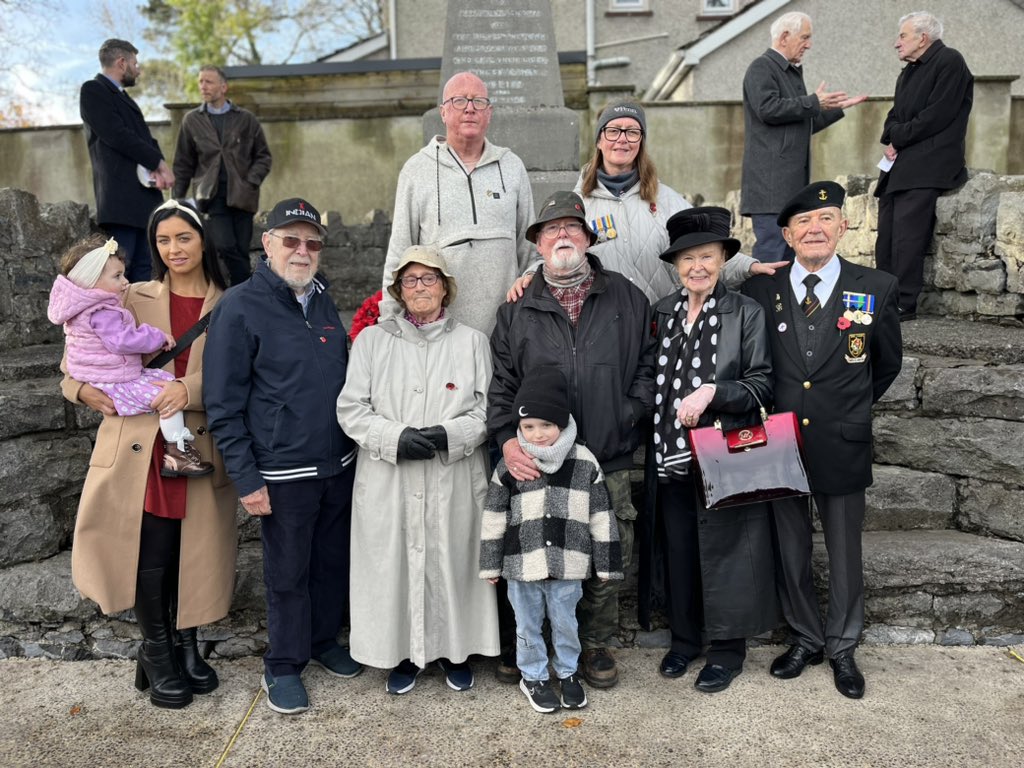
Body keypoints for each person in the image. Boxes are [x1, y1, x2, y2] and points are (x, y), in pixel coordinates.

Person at [60, 198, 235, 710]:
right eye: (163, 240)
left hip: (194, 442)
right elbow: (75, 354)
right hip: (134, 445)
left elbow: (241, 373)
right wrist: (79, 391)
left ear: (203, 240)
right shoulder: (128, 294)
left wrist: (191, 388)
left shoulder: (229, 303)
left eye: (184, 236)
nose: (174, 248)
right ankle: (158, 653)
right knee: (150, 550)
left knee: (191, 549)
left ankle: (185, 646)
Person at [489, 190, 655, 690]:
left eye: (572, 228)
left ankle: (596, 643)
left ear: (587, 238)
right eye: (551, 229)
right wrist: (506, 440)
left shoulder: (626, 295)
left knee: (606, 548)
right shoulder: (517, 309)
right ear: (538, 243)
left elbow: (649, 365)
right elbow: (501, 381)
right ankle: (531, 641)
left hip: (610, 448)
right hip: (537, 458)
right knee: (535, 551)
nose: (562, 236)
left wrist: (631, 414)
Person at [744, 181, 903, 699]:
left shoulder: (875, 286)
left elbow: (886, 363)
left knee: (843, 548)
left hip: (842, 437)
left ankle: (842, 645)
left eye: (826, 219)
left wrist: (846, 406)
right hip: (781, 441)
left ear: (843, 226)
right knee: (790, 546)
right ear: (787, 236)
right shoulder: (760, 291)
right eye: (803, 224)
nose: (815, 229)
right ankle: (806, 635)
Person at [203, 197, 360, 716]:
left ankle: (321, 642)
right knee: (288, 573)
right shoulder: (239, 306)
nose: (302, 250)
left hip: (337, 465)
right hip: (282, 469)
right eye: (290, 240)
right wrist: (247, 479)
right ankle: (284, 664)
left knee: (331, 563)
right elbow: (223, 405)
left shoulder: (322, 302)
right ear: (267, 243)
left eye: (312, 242)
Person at [337, 245, 499, 696]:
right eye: (411, 280)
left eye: (430, 279)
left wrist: (451, 434)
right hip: (391, 475)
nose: (421, 287)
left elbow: (488, 410)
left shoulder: (471, 341)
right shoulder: (372, 341)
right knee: (395, 565)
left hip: (453, 474)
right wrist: (395, 438)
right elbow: (351, 409)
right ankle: (402, 654)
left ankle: (455, 651)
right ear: (398, 290)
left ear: (446, 288)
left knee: (453, 560)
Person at [637, 206, 777, 694]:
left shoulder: (746, 312)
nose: (698, 267)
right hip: (668, 454)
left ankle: (726, 650)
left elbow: (762, 383)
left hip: (724, 453)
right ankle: (685, 639)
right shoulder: (661, 313)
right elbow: (647, 374)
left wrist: (714, 392)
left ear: (723, 259)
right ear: (676, 265)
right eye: (688, 258)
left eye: (708, 257)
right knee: (678, 547)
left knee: (726, 549)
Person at [480, 368, 623, 714]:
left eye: (546, 425)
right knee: (527, 624)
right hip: (522, 565)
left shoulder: (584, 462)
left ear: (562, 423)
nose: (538, 434)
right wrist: (490, 564)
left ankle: (568, 672)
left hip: (568, 564)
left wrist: (606, 563)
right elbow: (494, 518)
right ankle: (533, 676)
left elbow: (601, 516)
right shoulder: (510, 466)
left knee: (566, 621)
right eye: (529, 427)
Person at [574, 101, 780, 302]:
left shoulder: (667, 201)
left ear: (641, 143)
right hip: (605, 330)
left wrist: (749, 267)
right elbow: (546, 259)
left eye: (632, 132)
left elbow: (705, 246)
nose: (622, 139)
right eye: (613, 130)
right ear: (599, 140)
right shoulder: (577, 205)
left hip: (659, 326)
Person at [381, 70, 534, 335]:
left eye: (479, 102)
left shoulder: (512, 167)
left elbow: (530, 248)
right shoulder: (416, 169)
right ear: (443, 112)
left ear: (489, 112)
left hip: (506, 330)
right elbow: (399, 251)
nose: (470, 109)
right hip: (440, 334)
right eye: (459, 101)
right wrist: (390, 322)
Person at [48, 235, 213, 477]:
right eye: (117, 276)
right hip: (115, 380)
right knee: (166, 400)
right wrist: (156, 336)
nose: (125, 282)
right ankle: (177, 454)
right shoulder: (102, 310)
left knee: (163, 383)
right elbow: (123, 340)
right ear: (92, 280)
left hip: (107, 375)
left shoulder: (82, 310)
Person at [741, 12, 865, 263]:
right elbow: (768, 109)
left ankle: (779, 303)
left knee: (788, 258)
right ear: (785, 36)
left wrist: (834, 108)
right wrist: (812, 102)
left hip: (787, 189)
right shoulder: (762, 67)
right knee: (771, 257)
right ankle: (759, 303)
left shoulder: (789, 72)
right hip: (770, 189)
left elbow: (799, 124)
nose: (809, 44)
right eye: (805, 37)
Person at [874, 11, 973, 321]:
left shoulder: (949, 62)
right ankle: (884, 297)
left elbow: (936, 116)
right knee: (887, 234)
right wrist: (893, 134)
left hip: (930, 163)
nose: (896, 43)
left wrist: (898, 135)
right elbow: (894, 115)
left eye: (902, 36)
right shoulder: (909, 71)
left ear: (922, 37)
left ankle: (903, 303)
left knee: (907, 235)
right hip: (903, 163)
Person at [80, 39, 174, 282]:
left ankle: (136, 321)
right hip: (120, 201)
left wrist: (160, 164)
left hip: (143, 201)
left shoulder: (126, 100)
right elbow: (117, 135)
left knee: (144, 270)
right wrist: (159, 163)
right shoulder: (94, 90)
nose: (138, 69)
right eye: (135, 62)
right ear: (122, 63)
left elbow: (144, 138)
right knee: (119, 269)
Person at [172, 65, 273, 286]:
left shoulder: (246, 119)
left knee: (239, 250)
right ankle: (248, 293)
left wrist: (251, 181)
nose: (203, 86)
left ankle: (240, 297)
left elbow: (264, 156)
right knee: (225, 246)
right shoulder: (192, 120)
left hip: (243, 197)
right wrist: (176, 200)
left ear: (223, 87)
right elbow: (183, 163)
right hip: (211, 197)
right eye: (200, 82)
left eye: (208, 81)